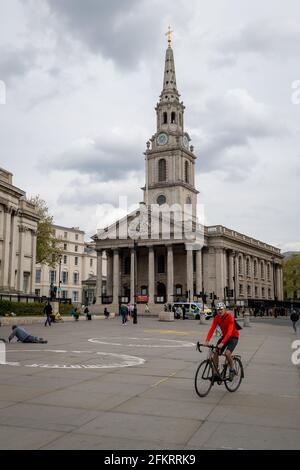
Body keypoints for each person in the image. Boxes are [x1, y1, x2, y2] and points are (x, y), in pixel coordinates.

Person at [204, 305, 239, 381]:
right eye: (218, 310)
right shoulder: (216, 318)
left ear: (225, 310)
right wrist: (207, 340)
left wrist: (222, 343)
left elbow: (229, 332)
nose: (219, 311)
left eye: (221, 309)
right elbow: (212, 329)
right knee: (215, 352)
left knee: (227, 353)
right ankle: (216, 373)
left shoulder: (229, 317)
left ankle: (232, 369)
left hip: (233, 337)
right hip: (224, 336)